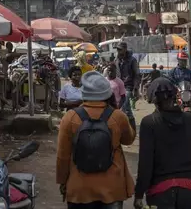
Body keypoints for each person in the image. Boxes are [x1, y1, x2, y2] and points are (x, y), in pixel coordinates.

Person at [134, 77, 191, 209]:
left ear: (154, 100)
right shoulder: (190, 119)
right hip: (188, 187)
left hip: (159, 190)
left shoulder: (148, 123)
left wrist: (139, 194)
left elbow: (146, 163)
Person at [56, 71, 136, 209]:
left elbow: (63, 156)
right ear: (107, 93)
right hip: (112, 189)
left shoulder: (70, 117)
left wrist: (63, 182)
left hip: (79, 189)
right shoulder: (118, 116)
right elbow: (128, 140)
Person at [169, 51, 191, 123]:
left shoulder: (190, 71)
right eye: (182, 60)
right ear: (178, 60)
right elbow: (169, 80)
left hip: (188, 93)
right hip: (177, 94)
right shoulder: (173, 71)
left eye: (185, 60)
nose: (183, 62)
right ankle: (169, 119)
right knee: (168, 101)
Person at [115, 42, 140, 129]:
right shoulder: (117, 59)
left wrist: (136, 88)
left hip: (128, 86)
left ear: (125, 49)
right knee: (120, 107)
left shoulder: (132, 60)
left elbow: (137, 74)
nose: (118, 51)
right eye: (117, 49)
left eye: (120, 49)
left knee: (125, 106)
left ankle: (132, 127)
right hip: (118, 86)